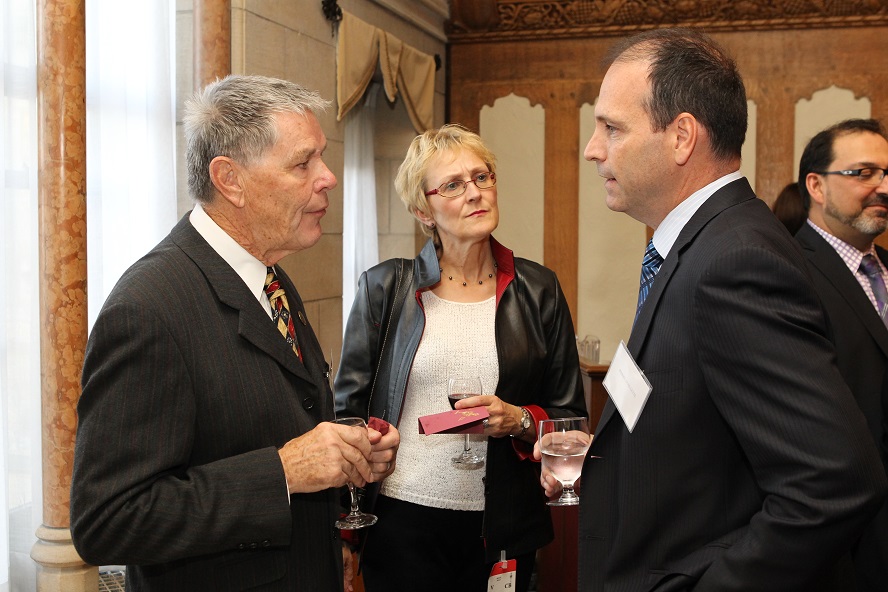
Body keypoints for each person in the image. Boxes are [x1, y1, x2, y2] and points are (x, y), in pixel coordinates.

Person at [538, 28, 887, 591]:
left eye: (612, 127)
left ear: (681, 137)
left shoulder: (735, 261)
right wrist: (614, 450)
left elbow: (833, 483)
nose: (592, 148)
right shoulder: (696, 243)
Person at [69, 75, 400, 592]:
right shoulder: (149, 307)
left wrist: (348, 459)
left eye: (323, 158)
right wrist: (283, 473)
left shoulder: (270, 276)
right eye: (303, 162)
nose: (329, 178)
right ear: (230, 179)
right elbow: (108, 520)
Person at [334, 124, 587, 592]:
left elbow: (570, 418)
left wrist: (519, 419)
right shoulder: (385, 288)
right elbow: (346, 413)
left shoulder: (539, 290)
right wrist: (346, 532)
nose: (475, 193)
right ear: (422, 210)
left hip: (503, 527)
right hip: (402, 519)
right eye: (453, 185)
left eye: (482, 177)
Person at [796, 118, 888, 591]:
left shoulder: (885, 269)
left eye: (887, 174)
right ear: (816, 184)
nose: (882, 188)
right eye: (864, 173)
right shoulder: (789, 272)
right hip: (843, 531)